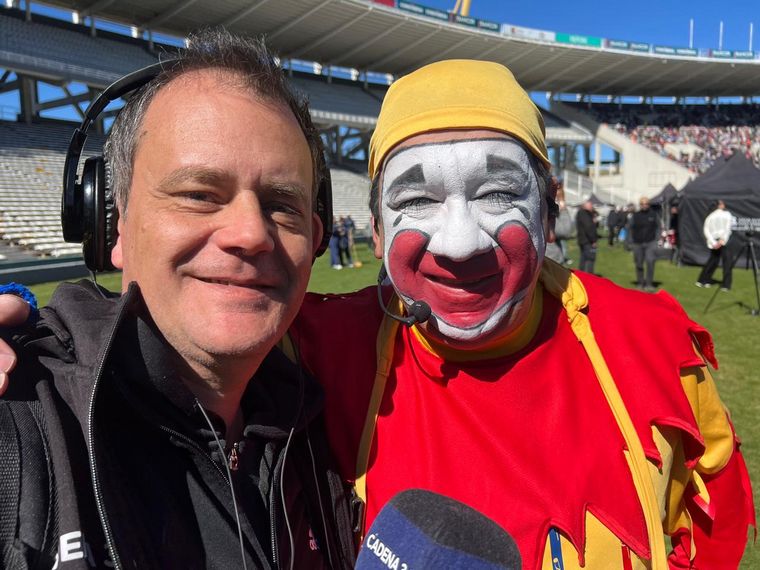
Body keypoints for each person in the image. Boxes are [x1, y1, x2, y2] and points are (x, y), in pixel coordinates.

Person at [0, 59, 754, 569]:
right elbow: (140, 340)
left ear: (550, 207)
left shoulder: (657, 350)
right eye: (418, 199)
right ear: (110, 226)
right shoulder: (319, 343)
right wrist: (27, 332)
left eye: (497, 192)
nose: (459, 244)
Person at [0, 30, 354, 569]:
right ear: (111, 225)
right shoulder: (20, 413)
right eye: (198, 195)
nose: (251, 234)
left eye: (282, 204)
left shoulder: (322, 424)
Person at [696, 200, 734, 290]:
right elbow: (727, 228)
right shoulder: (727, 214)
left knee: (713, 261)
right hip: (723, 241)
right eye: (722, 203)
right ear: (719, 205)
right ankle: (726, 285)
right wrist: (721, 241)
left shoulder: (710, 216)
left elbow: (706, 230)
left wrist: (714, 242)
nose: (724, 204)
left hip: (716, 242)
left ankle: (702, 281)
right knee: (727, 263)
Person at [629, 196, 661, 291]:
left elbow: (659, 227)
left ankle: (649, 284)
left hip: (650, 243)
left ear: (649, 205)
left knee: (650, 262)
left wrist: (656, 239)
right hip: (637, 243)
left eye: (646, 204)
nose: (644, 205)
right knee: (639, 264)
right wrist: (631, 241)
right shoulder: (635, 215)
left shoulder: (654, 215)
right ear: (640, 205)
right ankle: (640, 282)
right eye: (642, 204)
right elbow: (630, 228)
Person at [575, 199, 598, 273]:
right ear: (586, 206)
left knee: (583, 258)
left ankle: (582, 275)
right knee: (590, 259)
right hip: (587, 240)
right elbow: (589, 228)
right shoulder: (584, 214)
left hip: (583, 240)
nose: (592, 207)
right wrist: (593, 240)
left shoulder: (582, 213)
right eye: (591, 206)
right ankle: (589, 277)